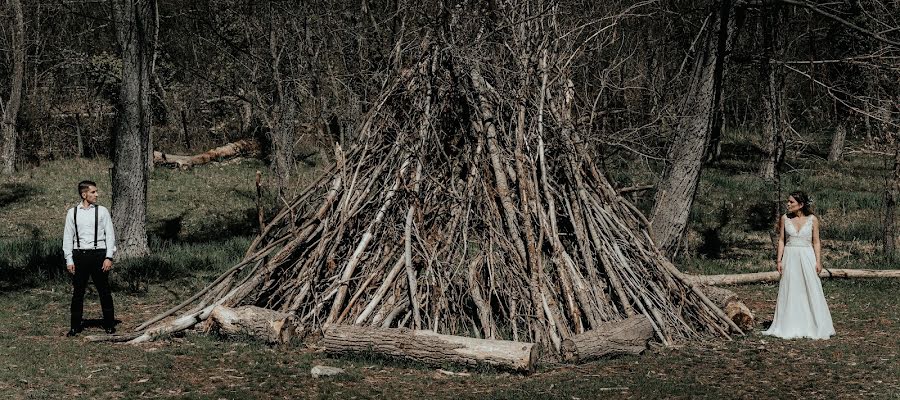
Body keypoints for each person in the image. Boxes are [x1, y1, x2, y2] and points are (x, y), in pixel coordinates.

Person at [762, 191, 835, 340]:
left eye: (791, 202)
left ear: (801, 205)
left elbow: (816, 241)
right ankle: (789, 324)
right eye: (788, 202)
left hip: (807, 256)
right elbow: (782, 240)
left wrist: (818, 261)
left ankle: (815, 324)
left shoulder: (812, 219)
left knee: (810, 287)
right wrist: (779, 260)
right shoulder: (785, 218)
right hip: (790, 256)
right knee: (791, 289)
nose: (788, 204)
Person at [62, 180, 117, 336]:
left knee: (104, 291)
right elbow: (68, 237)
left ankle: (109, 324)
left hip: (99, 254)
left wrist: (109, 257)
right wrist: (69, 259)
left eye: (96, 191)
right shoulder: (72, 212)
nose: (97, 194)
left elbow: (110, 236)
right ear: (84, 194)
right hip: (80, 255)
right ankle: (75, 326)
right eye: (93, 192)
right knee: (78, 292)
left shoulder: (102, 211)